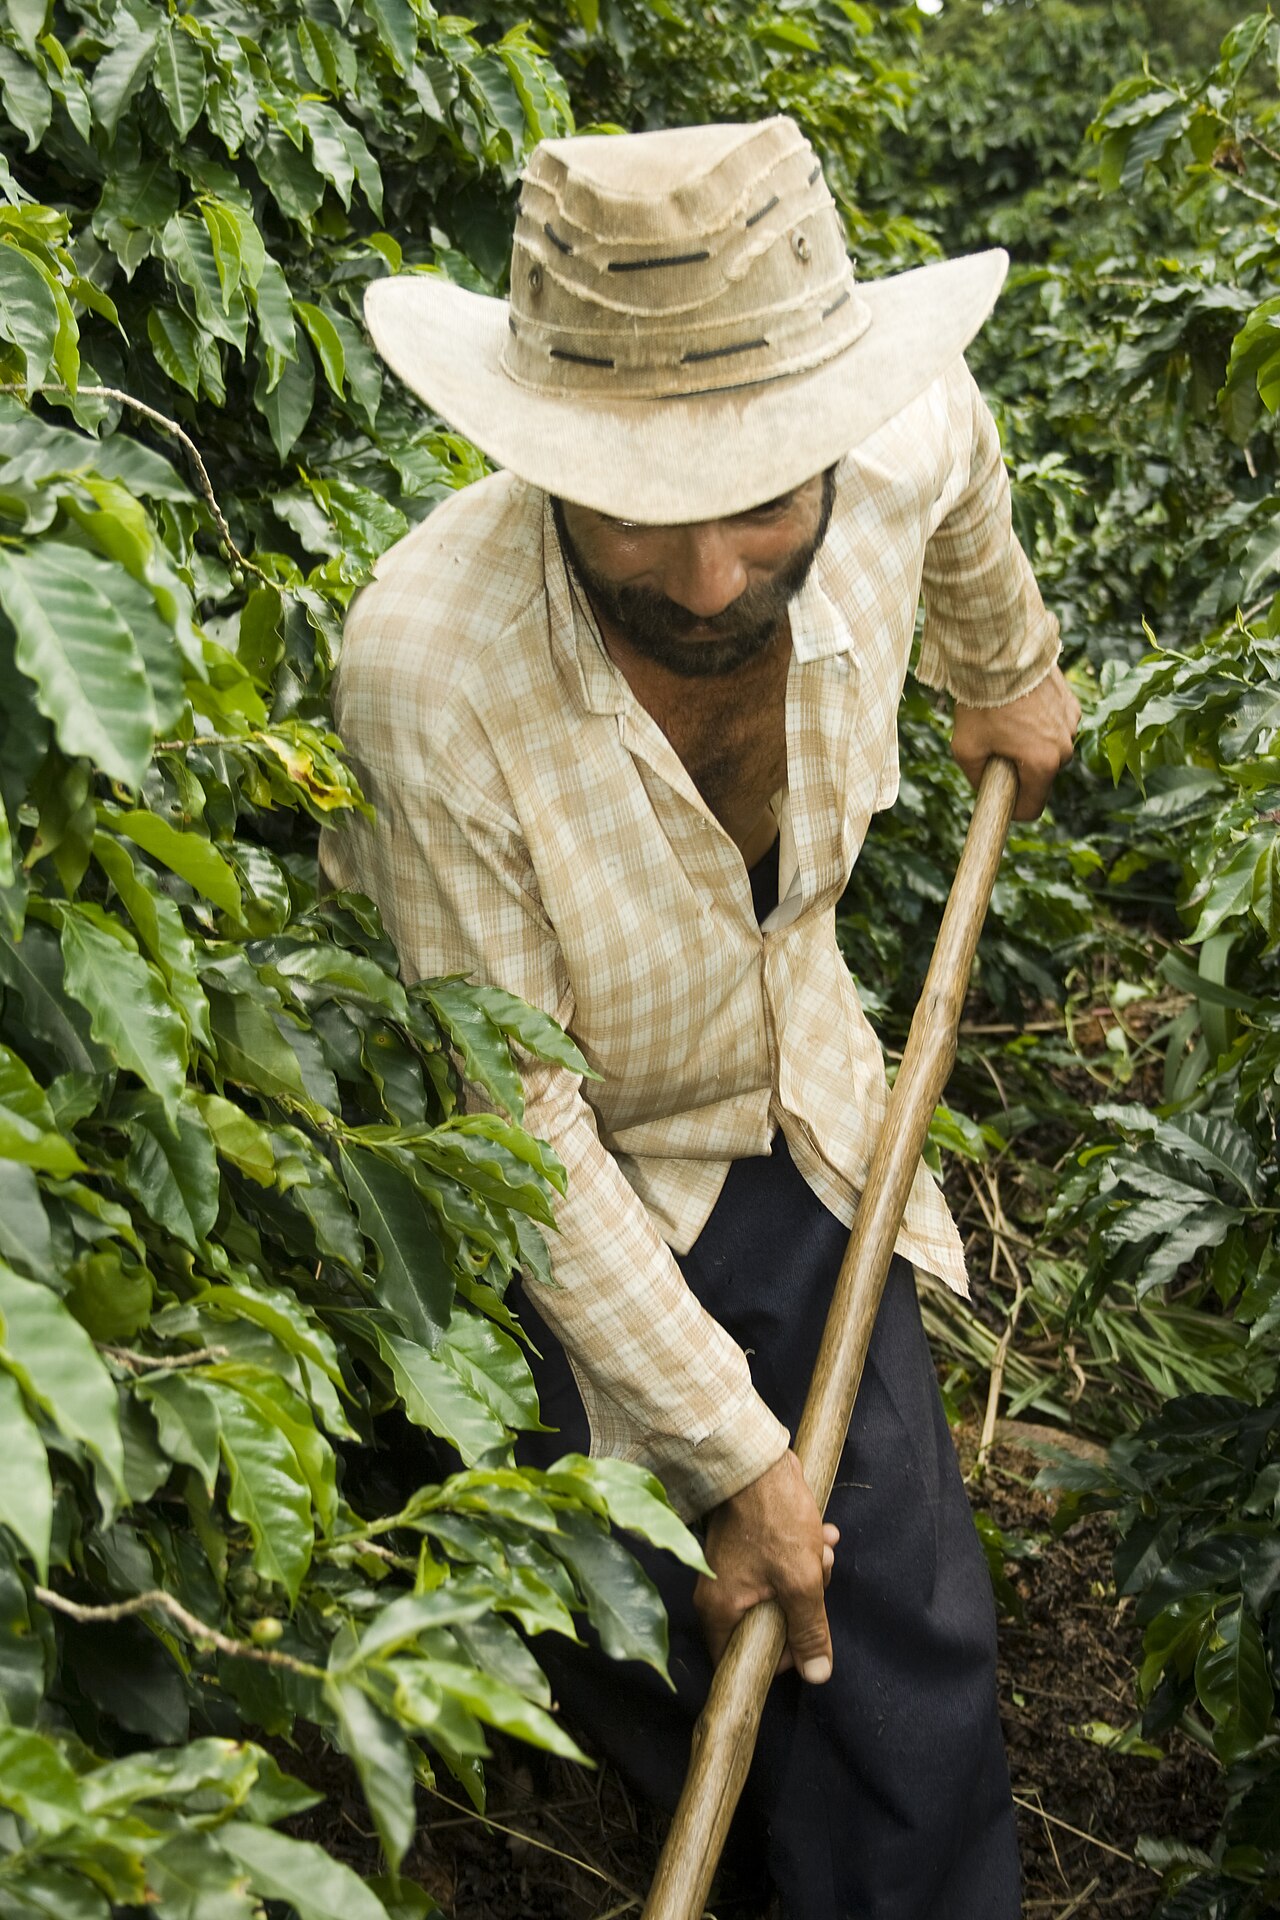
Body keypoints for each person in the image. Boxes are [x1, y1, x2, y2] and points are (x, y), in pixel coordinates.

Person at [321, 117, 1080, 1918]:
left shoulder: (889, 440)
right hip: (568, 1177)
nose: (716, 578)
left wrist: (1010, 668)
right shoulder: (431, 673)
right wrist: (734, 1461)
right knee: (656, 1614)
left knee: (888, 1654)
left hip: (789, 1091)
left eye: (760, 499)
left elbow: (959, 465)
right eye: (642, 519)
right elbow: (515, 1131)